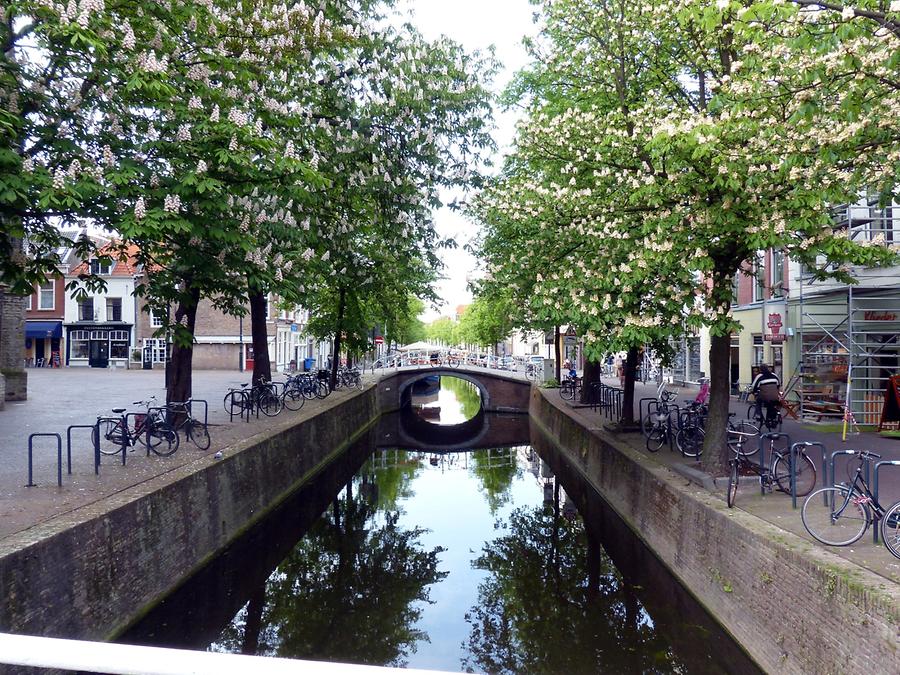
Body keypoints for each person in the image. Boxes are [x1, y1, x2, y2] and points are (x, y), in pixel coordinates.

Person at [750, 364, 781, 428]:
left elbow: (754, 387)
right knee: (771, 404)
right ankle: (772, 419)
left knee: (758, 400)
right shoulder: (774, 375)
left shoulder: (759, 376)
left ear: (760, 369)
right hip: (775, 396)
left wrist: (753, 392)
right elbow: (778, 385)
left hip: (765, 397)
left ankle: (758, 414)